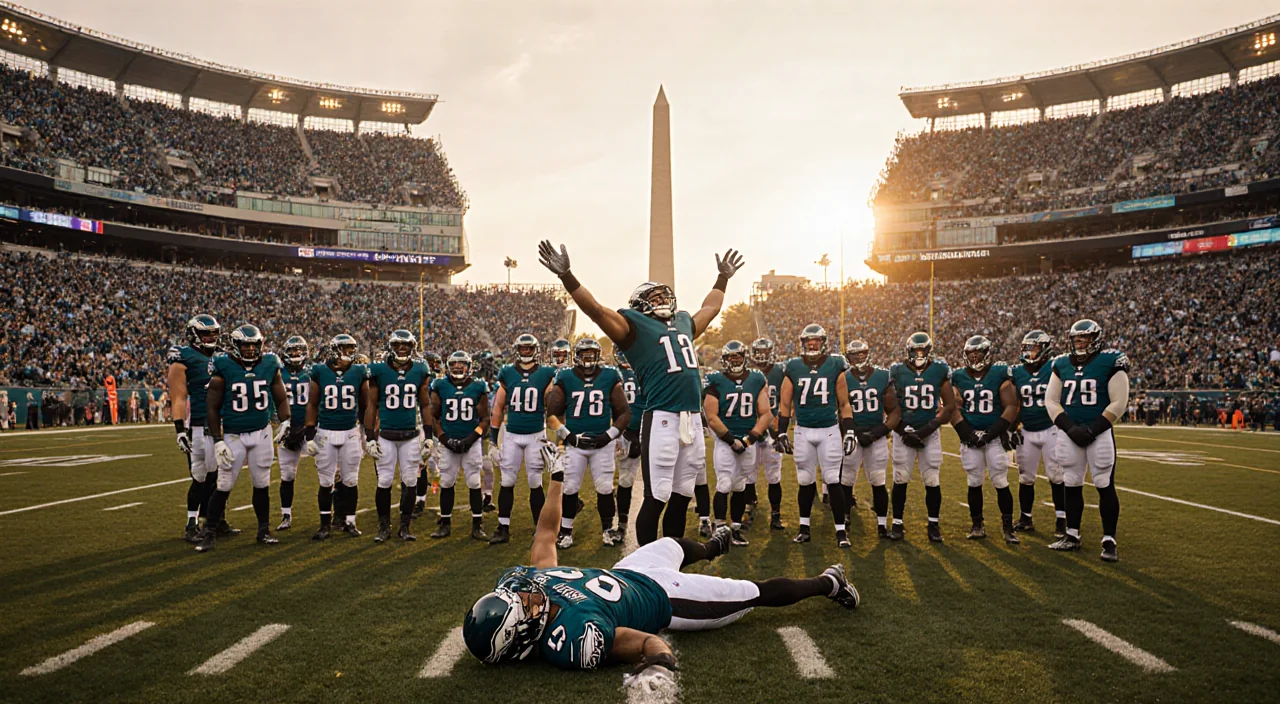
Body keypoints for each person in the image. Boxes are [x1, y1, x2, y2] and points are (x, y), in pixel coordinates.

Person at [461, 444, 861, 679]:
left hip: (629, 571)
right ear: (521, 639)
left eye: (523, 598)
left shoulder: (528, 584)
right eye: (526, 609)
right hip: (667, 598)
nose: (531, 598)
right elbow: (646, 642)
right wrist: (660, 663)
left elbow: (545, 534)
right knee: (752, 594)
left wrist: (558, 478)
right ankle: (830, 582)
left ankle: (713, 547)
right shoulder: (570, 636)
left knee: (674, 543)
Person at [538, 239, 743, 546]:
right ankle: (648, 566)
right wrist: (567, 276)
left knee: (683, 493)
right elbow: (595, 310)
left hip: (691, 420)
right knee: (657, 494)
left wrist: (722, 278)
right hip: (662, 418)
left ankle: (671, 563)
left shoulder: (683, 322)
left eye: (665, 294)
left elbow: (710, 308)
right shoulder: (633, 326)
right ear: (640, 304)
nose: (664, 298)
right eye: (655, 296)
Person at [196, 325, 291, 552]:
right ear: (235, 346)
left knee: (262, 484)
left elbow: (280, 397)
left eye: (254, 345)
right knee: (224, 485)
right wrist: (218, 440)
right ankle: (209, 533)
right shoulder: (223, 366)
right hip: (234, 435)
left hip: (261, 432)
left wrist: (286, 420)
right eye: (245, 345)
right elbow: (212, 407)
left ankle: (263, 531)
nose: (250, 349)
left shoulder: (269, 364)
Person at [1046, 319, 1130, 562]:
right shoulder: (1061, 363)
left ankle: (1109, 540)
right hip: (1070, 432)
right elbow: (1051, 400)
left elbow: (1119, 402)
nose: (1079, 342)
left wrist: (1093, 429)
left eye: (1084, 338)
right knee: (1071, 482)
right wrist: (1070, 428)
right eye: (1076, 338)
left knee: (1103, 482)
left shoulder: (1110, 361)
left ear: (1096, 339)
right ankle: (1071, 535)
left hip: (1099, 432)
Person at [545, 338, 631, 548]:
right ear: (577, 356)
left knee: (604, 488)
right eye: (585, 354)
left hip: (602, 443)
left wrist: (608, 435)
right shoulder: (565, 376)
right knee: (570, 487)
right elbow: (552, 415)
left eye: (592, 354)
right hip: (576, 444)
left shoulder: (610, 375)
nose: (589, 358)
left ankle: (607, 530)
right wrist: (568, 435)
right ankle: (565, 532)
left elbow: (624, 413)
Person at [775, 324, 853, 547]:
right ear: (802, 343)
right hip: (803, 430)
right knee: (805, 480)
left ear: (823, 342)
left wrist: (849, 432)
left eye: (816, 340)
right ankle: (804, 528)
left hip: (829, 430)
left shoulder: (835, 364)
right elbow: (784, 403)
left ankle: (840, 532)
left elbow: (844, 403)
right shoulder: (793, 366)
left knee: (832, 479)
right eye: (808, 340)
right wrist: (781, 432)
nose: (812, 344)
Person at [166, 314, 232, 543]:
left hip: (224, 425)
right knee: (200, 478)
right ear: (194, 334)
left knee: (223, 477)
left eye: (215, 333)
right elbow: (178, 397)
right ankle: (192, 524)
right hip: (198, 425)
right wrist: (179, 430)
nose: (212, 337)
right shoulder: (183, 357)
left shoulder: (224, 356)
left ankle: (215, 520)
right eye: (207, 333)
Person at [488, 333, 558, 544]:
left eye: (529, 349)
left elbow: (552, 404)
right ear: (517, 350)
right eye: (523, 349)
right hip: (512, 435)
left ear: (535, 351)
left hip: (536, 434)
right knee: (507, 481)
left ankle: (540, 528)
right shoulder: (507, 373)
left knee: (535, 481)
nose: (526, 352)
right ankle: (503, 526)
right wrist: (493, 441)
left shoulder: (546, 373)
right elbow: (498, 407)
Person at [950, 335, 1021, 544]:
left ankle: (1008, 528)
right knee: (974, 481)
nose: (974, 357)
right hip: (970, 437)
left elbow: (1011, 405)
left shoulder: (999, 373)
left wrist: (992, 432)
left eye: (978, 353)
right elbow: (953, 408)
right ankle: (977, 525)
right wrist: (967, 433)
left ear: (987, 354)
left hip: (994, 436)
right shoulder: (958, 377)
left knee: (1000, 480)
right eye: (971, 354)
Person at [364, 330, 432, 543]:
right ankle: (384, 526)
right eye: (398, 344)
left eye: (406, 345)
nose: (402, 349)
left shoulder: (420, 369)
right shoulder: (379, 370)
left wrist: (428, 436)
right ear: (391, 347)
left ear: (412, 347)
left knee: (410, 480)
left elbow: (424, 404)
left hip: (410, 435)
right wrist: (369, 437)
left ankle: (405, 526)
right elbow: (372, 405)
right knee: (383, 481)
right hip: (386, 435)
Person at [702, 340, 772, 546]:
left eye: (738, 356)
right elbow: (711, 416)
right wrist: (732, 440)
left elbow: (766, 413)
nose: (734, 360)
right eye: (730, 357)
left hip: (748, 440)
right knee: (724, 482)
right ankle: (720, 528)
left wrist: (750, 438)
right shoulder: (715, 379)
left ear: (744, 357)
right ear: (724, 360)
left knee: (740, 485)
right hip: (726, 440)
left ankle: (736, 529)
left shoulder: (756, 379)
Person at [888, 332, 956, 543]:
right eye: (915, 351)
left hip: (929, 432)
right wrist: (903, 430)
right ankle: (897, 523)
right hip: (903, 433)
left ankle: (933, 524)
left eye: (922, 350)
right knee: (901, 477)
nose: (919, 354)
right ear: (908, 351)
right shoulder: (896, 371)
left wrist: (926, 429)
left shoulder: (939, 370)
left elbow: (950, 406)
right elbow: (890, 405)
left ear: (928, 351)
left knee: (932, 479)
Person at [305, 334, 370, 540]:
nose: (349, 354)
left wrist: (367, 434)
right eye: (345, 349)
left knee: (350, 480)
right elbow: (313, 404)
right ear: (334, 350)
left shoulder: (359, 371)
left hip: (350, 431)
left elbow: (365, 405)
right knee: (326, 481)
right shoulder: (320, 372)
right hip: (326, 432)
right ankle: (325, 524)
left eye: (351, 349)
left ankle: (350, 522)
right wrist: (309, 434)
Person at [429, 350, 491, 540]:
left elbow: (484, 419)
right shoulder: (440, 385)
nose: (458, 367)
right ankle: (445, 524)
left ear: (469, 367)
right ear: (448, 367)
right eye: (454, 364)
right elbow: (434, 417)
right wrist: (445, 439)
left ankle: (477, 525)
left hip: (470, 441)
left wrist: (470, 439)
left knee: (474, 482)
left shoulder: (478, 386)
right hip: (448, 442)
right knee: (447, 481)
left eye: (462, 364)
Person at [1009, 330, 1065, 537]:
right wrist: (1010, 428)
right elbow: (1012, 401)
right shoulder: (1016, 372)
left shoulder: (1055, 368)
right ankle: (1025, 517)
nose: (1029, 353)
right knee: (1025, 477)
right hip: (1026, 430)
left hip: (1052, 428)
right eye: (1027, 348)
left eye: (1033, 349)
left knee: (1057, 475)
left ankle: (1062, 520)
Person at [842, 339, 900, 538]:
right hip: (853, 434)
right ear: (848, 357)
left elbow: (894, 412)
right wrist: (853, 432)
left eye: (862, 353)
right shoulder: (843, 378)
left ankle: (882, 524)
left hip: (876, 434)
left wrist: (877, 432)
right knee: (847, 478)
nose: (858, 358)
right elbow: (840, 409)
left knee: (878, 479)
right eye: (854, 355)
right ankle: (844, 518)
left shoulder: (883, 376)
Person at [749, 337, 787, 530]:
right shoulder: (747, 372)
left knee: (774, 475)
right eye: (758, 352)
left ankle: (775, 513)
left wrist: (781, 428)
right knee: (748, 472)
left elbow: (788, 399)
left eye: (765, 352)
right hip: (752, 428)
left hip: (772, 428)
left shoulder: (781, 371)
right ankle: (750, 504)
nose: (761, 357)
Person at [275, 336, 311, 531]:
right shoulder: (277, 373)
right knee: (287, 475)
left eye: (299, 351)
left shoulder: (313, 373)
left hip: (311, 429)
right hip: (287, 429)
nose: (296, 355)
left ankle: (337, 514)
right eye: (292, 351)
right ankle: (286, 515)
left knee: (331, 470)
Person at [613, 349, 644, 544]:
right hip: (626, 433)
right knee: (625, 481)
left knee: (659, 483)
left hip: (650, 432)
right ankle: (622, 525)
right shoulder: (612, 375)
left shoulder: (647, 371)